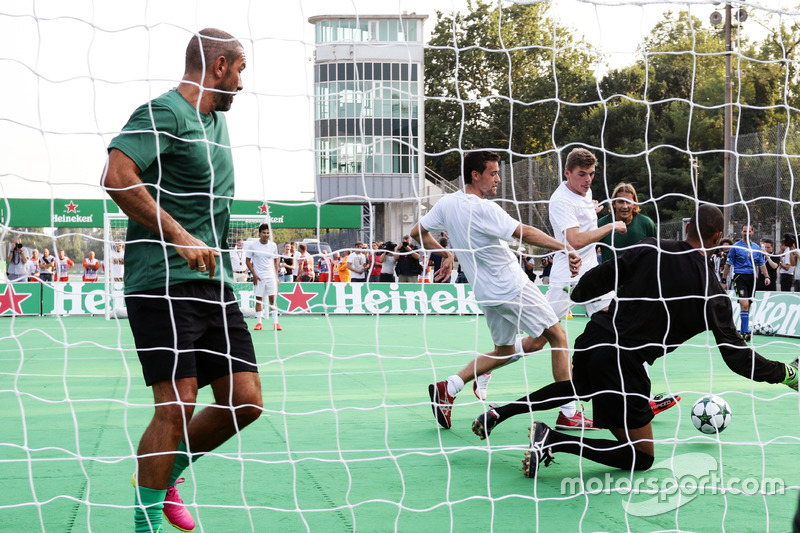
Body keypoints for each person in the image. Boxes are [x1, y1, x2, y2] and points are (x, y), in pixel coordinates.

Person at [471, 205, 798, 479]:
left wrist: (577, 293)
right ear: (717, 239)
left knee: (580, 386)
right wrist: (786, 373)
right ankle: (553, 440)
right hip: (624, 362)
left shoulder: (651, 246)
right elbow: (737, 357)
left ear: (687, 231)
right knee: (641, 457)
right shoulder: (713, 293)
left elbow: (600, 277)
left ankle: (501, 413)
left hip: (595, 335)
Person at [101, 28, 263, 533]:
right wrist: (178, 235)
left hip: (214, 285)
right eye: (239, 70)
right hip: (159, 282)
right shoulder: (164, 112)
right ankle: (144, 521)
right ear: (219, 66)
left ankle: (164, 474)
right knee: (178, 401)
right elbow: (116, 175)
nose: (241, 82)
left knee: (245, 400)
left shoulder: (215, 120)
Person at [410, 150, 582, 431]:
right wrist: (565, 247)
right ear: (475, 175)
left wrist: (444, 253)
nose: (498, 180)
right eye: (493, 173)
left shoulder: (446, 203)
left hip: (487, 294)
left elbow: (416, 232)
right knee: (559, 336)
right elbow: (524, 232)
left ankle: (450, 387)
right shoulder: (484, 208)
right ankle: (569, 412)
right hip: (511, 285)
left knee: (505, 350)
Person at [473, 149, 628, 430]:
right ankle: (487, 369)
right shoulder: (560, 200)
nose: (587, 180)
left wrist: (592, 211)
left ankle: (633, 396)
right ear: (567, 173)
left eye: (592, 175)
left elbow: (581, 224)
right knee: (539, 340)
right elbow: (575, 240)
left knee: (619, 329)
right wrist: (610, 226)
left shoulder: (583, 197)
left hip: (593, 277)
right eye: (581, 174)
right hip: (567, 280)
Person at [722, 224, 770, 341]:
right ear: (741, 232)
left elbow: (761, 264)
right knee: (744, 304)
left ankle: (743, 331)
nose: (747, 233)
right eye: (744, 231)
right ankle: (745, 333)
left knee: (748, 306)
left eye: (749, 231)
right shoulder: (735, 247)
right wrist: (724, 281)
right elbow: (728, 264)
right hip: (740, 277)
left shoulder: (756, 247)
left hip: (752, 278)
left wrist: (767, 276)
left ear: (752, 232)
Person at [597, 182, 657, 264]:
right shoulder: (601, 224)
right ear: (614, 204)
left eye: (628, 202)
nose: (625, 206)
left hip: (640, 275)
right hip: (611, 275)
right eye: (621, 202)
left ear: (635, 203)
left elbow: (656, 253)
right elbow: (589, 253)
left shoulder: (647, 223)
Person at [246, 223, 281, 331]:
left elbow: (276, 261)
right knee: (259, 299)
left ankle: (276, 323)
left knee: (272, 299)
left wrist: (276, 276)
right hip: (259, 277)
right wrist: (254, 275)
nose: (266, 235)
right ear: (260, 233)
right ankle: (259, 323)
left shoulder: (273, 245)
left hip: (271, 276)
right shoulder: (253, 245)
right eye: (264, 233)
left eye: (267, 233)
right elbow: (247, 261)